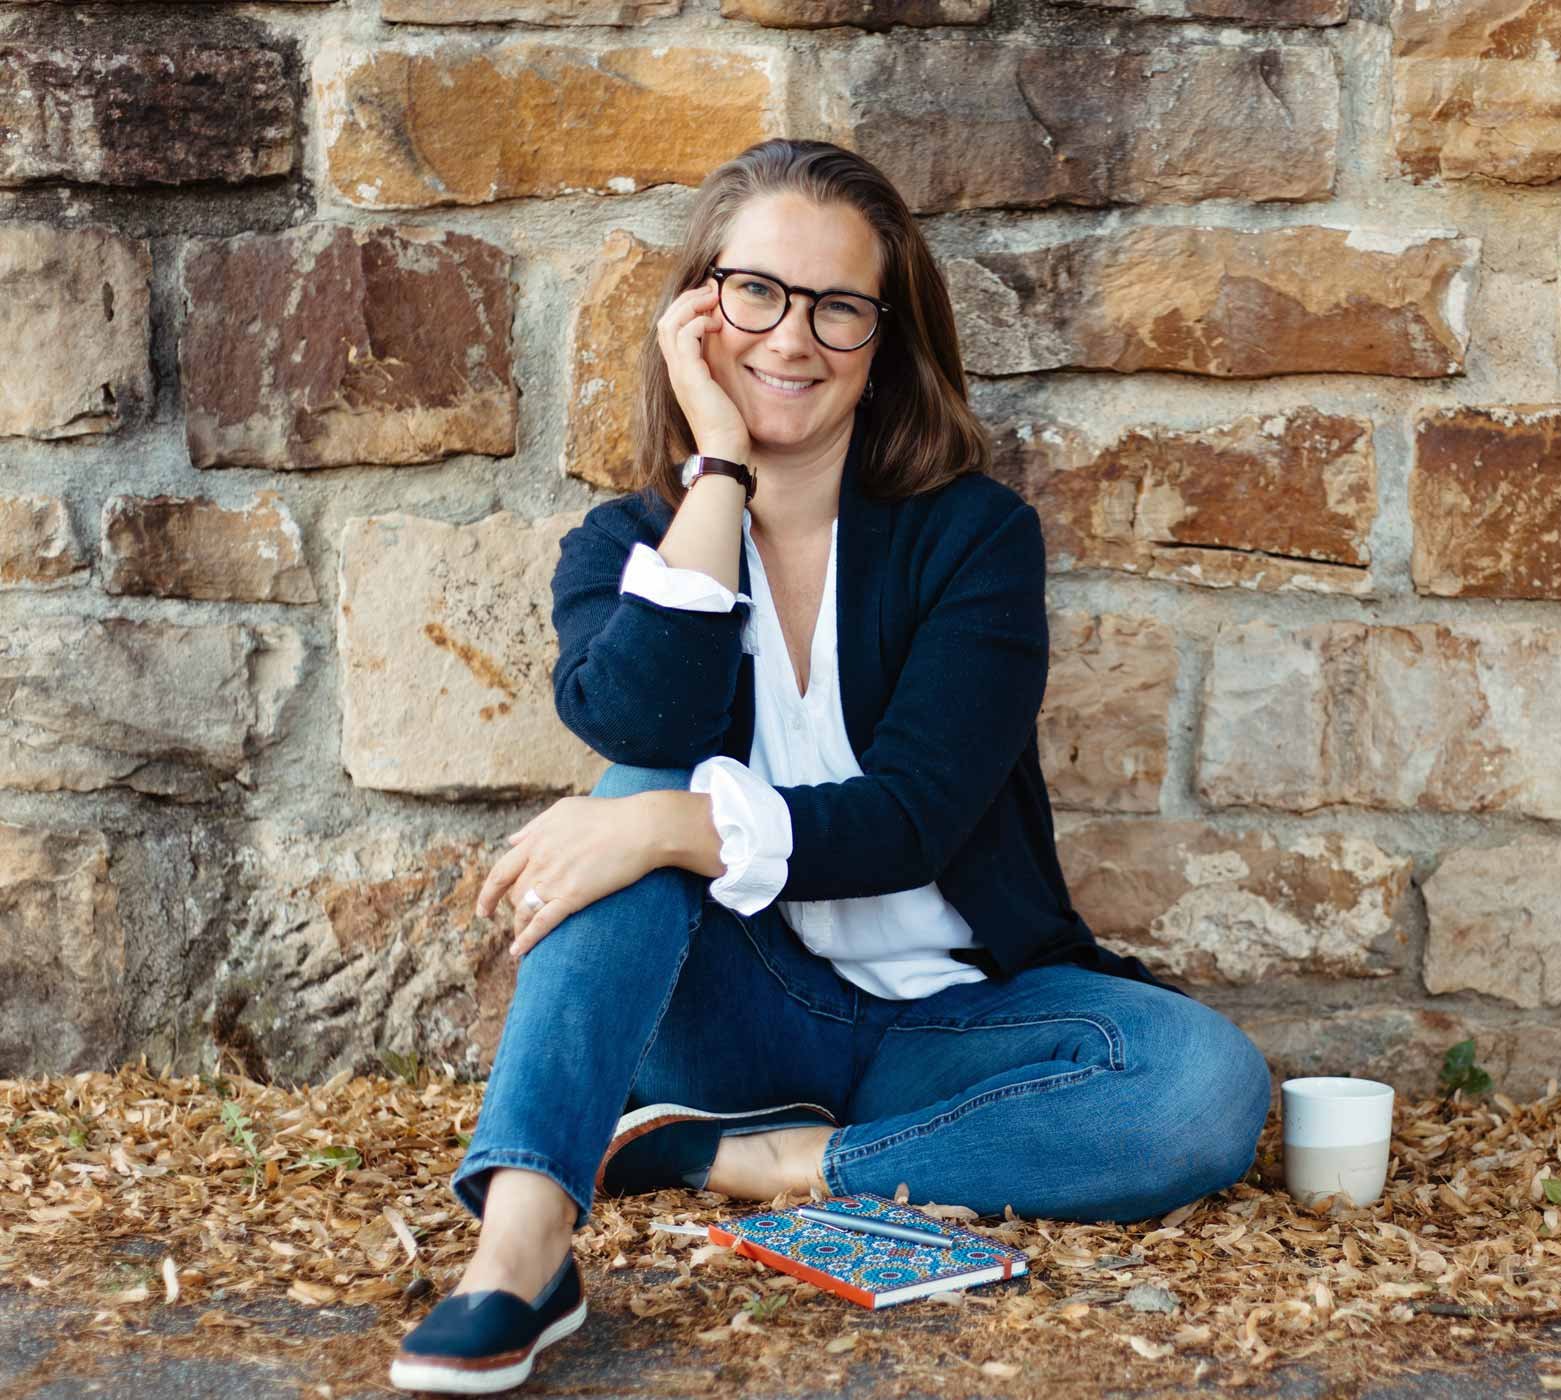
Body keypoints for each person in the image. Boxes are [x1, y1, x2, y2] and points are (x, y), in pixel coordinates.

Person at [388, 139, 1273, 1395]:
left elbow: (911, 818)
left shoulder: (974, 538)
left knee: (1204, 1086)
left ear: (885, 340)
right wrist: (718, 470)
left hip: (952, 1025)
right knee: (641, 789)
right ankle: (520, 1254)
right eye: (756, 293)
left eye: (838, 307)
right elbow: (641, 715)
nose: (791, 339)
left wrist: (671, 830)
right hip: (743, 1011)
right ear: (697, 311)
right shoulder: (623, 546)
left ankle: (771, 1160)